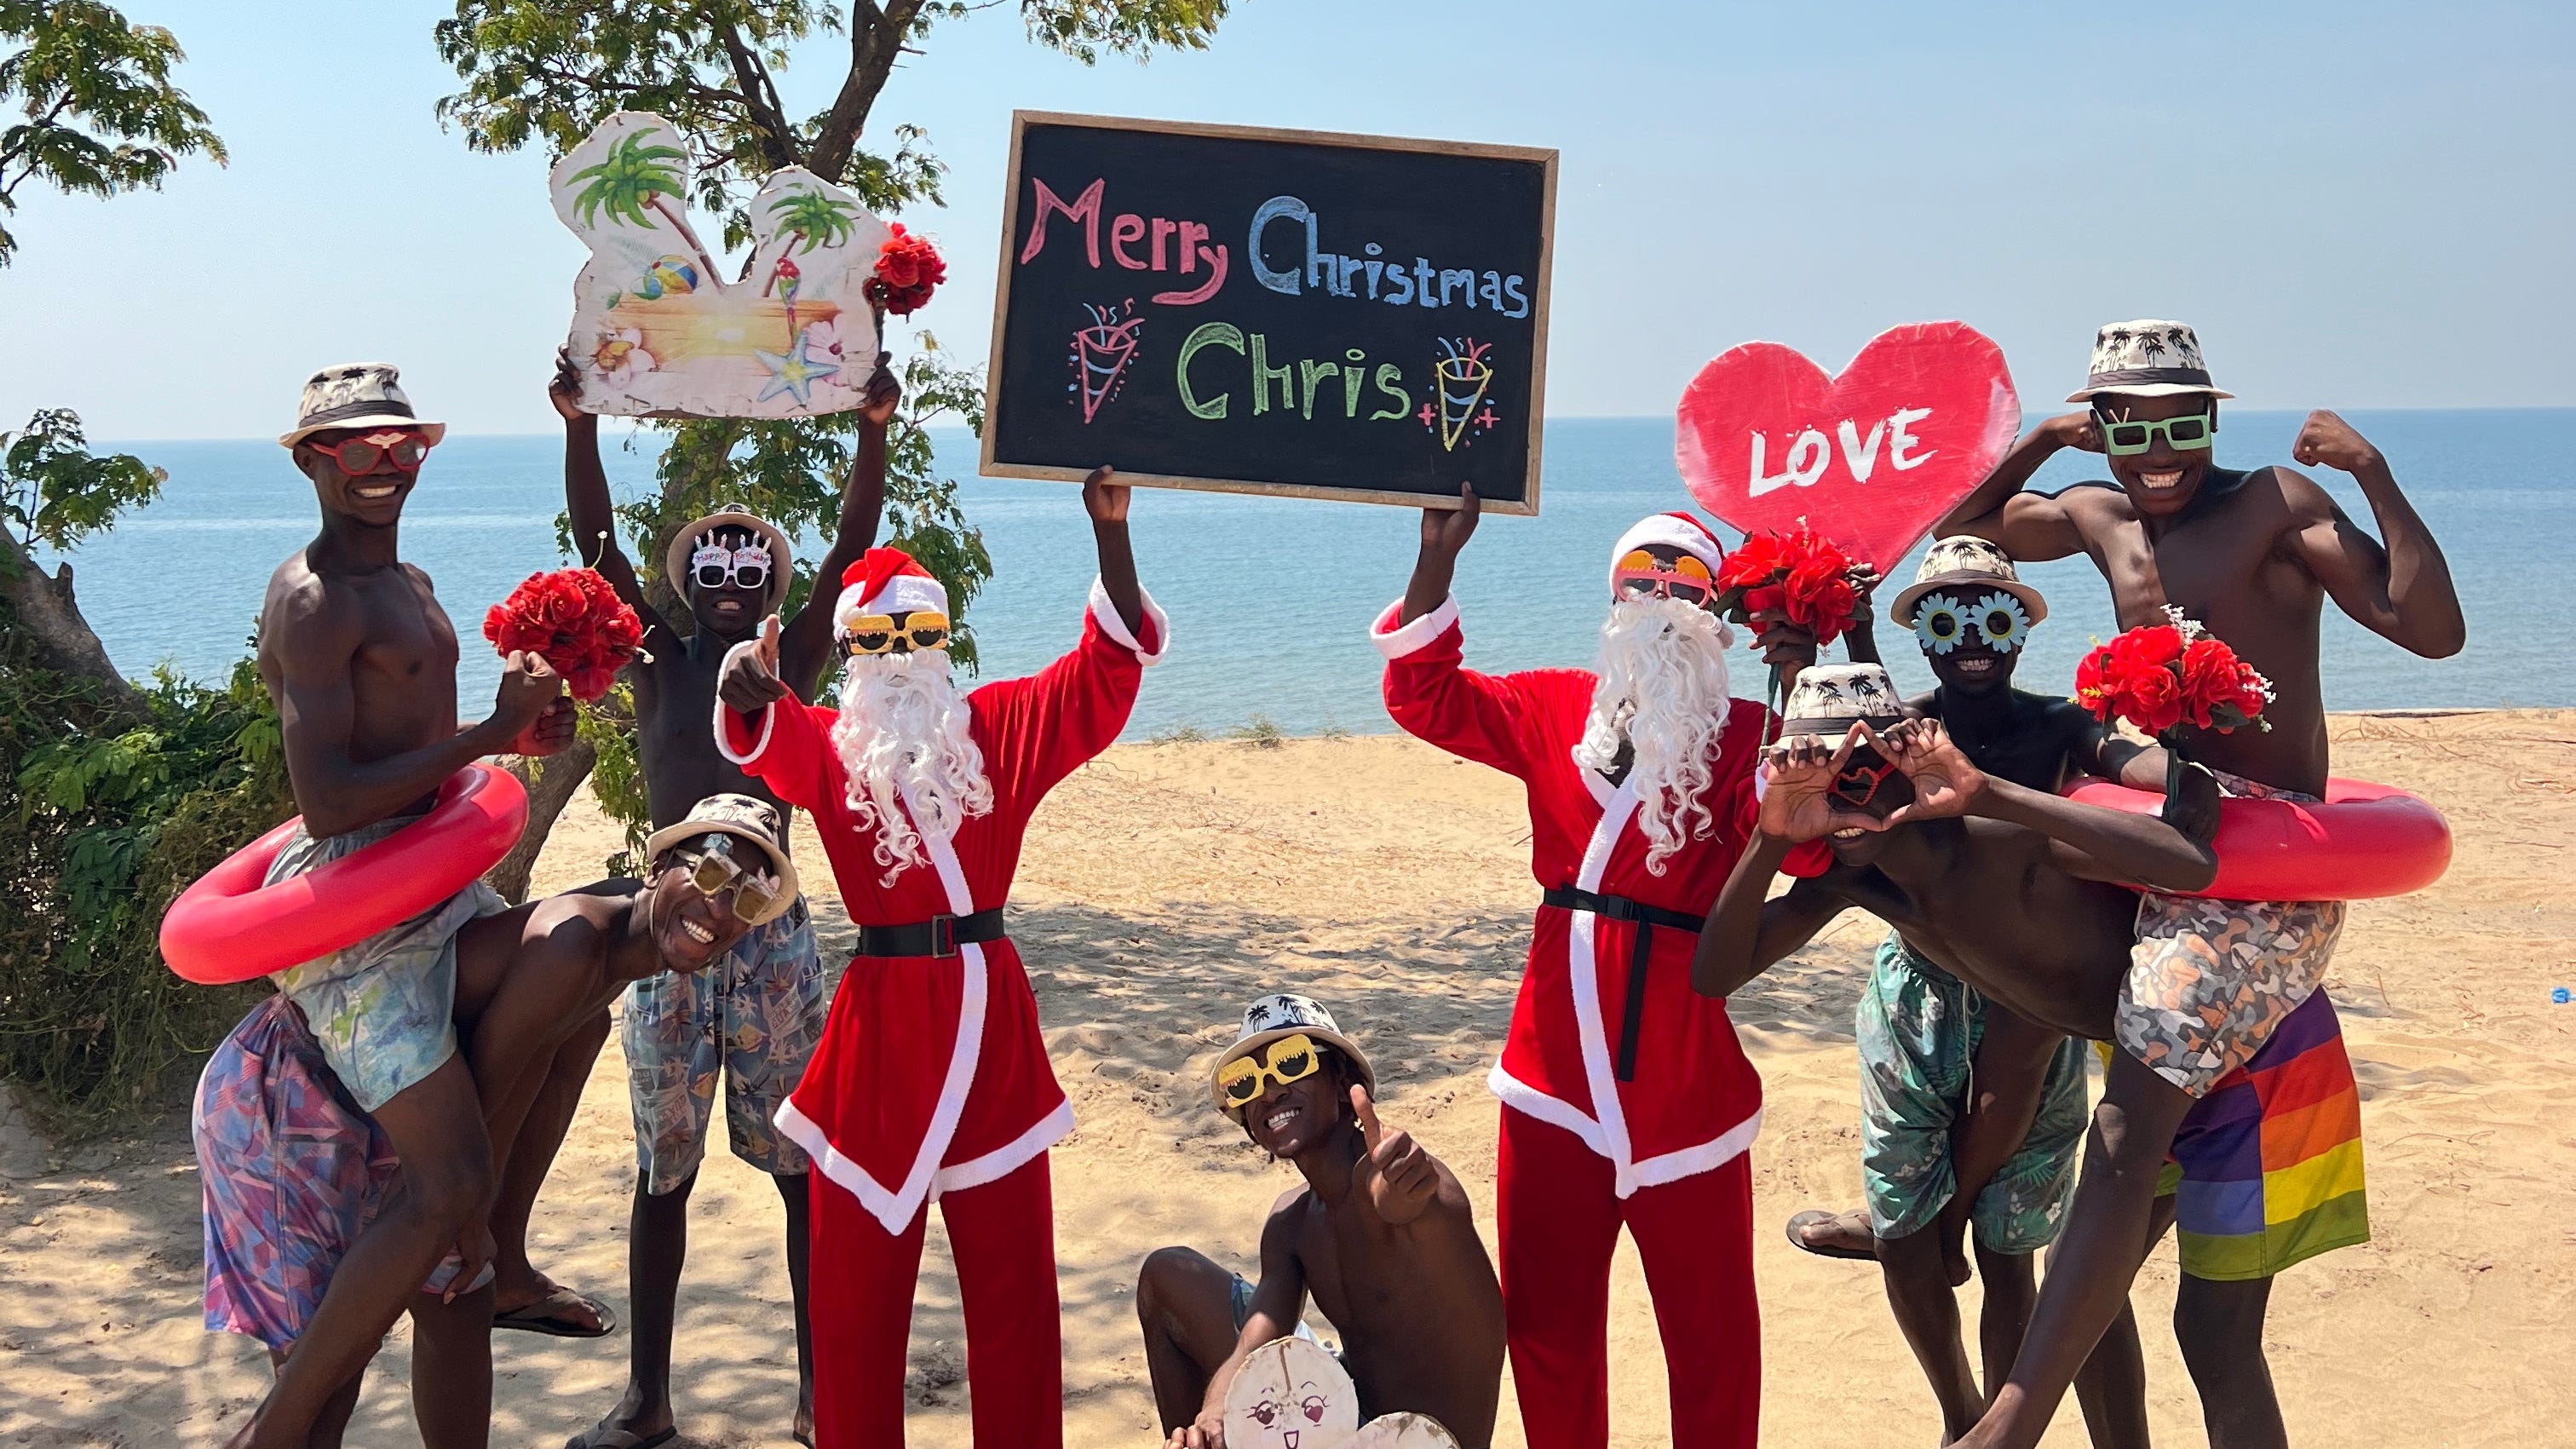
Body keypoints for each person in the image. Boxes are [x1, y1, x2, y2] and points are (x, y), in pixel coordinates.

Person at [1934, 321, 2462, 1448]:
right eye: (2134, 427)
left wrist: (2371, 473)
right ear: (2104, 426)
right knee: (2206, 1328)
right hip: (2156, 863)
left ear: (2214, 419)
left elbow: (2433, 631)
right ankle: (1950, 1213)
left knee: (2127, 1128)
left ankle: (2006, 1425)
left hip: (2262, 877)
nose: (2160, 453)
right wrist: (2031, 443)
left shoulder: (2273, 505)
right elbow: (1964, 541)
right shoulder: (2096, 510)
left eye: (2183, 423)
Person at [714, 465, 1164, 1448]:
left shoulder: (997, 730)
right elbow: (765, 730)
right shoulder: (831, 748)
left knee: (1015, 1294)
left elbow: (1104, 671)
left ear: (945, 640)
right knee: (853, 1302)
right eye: (875, 641)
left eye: (916, 635)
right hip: (879, 1032)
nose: (900, 656)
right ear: (848, 656)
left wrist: (1111, 536)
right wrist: (746, 683)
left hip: (989, 1025)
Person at [1371, 486, 1825, 1449]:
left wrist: (1807, 693)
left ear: (1717, 612)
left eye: (1686, 578)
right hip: (1551, 1081)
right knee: (1546, 1328)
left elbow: (1818, 850)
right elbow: (1425, 696)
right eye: (1640, 575)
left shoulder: (1750, 738)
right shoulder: (1550, 707)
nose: (1661, 591)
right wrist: (1437, 562)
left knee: (1713, 1342)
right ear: (1613, 598)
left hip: (1688, 1089)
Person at [221, 363, 583, 1448]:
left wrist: (514, 735)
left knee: (581, 993)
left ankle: (501, 1261)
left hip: (436, 879)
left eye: (403, 447)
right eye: (355, 450)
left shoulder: (414, 583)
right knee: (447, 1187)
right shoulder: (312, 600)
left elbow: (413, 749)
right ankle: (274, 1433)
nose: (384, 468)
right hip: (360, 916)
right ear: (309, 461)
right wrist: (482, 739)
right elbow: (327, 801)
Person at [200, 793, 788, 1448]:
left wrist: (489, 1231)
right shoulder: (576, 943)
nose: (720, 906)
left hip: (403, 1120)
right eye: (710, 874)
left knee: (460, 1300)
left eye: (750, 899)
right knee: (325, 1390)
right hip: (293, 1099)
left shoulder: (625, 950)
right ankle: (263, 1435)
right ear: (660, 866)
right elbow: (475, 1114)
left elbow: (529, 1070)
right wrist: (468, 1215)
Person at [552, 349, 900, 1449]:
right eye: (710, 562)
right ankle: (648, 1401)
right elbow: (597, 548)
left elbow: (851, 546)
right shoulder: (655, 658)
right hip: (663, 936)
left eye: (749, 564)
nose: (729, 575)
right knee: (664, 1168)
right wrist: (578, 423)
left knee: (801, 1173)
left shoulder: (784, 658)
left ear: (772, 587)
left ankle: (816, 1395)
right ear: (684, 582)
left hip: (776, 933)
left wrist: (874, 424)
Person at [1785, 541, 2175, 1445]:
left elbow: (2135, 769)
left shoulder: (2059, 726)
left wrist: (2188, 737)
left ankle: (1996, 1423)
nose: (1971, 640)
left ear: (2020, 635)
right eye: (1946, 619)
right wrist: (1835, 634)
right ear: (1920, 634)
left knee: (2014, 1251)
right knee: (1906, 1241)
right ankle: (1960, 1414)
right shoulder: (1902, 723)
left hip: (2033, 983)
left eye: (1992, 619)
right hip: (1920, 990)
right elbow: (1827, 783)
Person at [1136, 995, 1506, 1449]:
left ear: (1342, 1082)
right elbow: (1254, 1342)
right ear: (1249, 1123)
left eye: (1291, 1062)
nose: (1269, 1091)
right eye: (1246, 1082)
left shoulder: (1397, 1181)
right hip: (1340, 1413)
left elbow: (1403, 1205)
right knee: (1167, 1274)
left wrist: (1405, 1192)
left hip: (1422, 1441)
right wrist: (1214, 1411)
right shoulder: (1290, 1222)